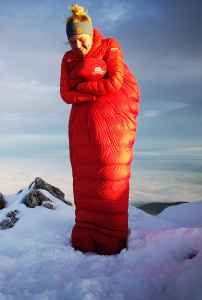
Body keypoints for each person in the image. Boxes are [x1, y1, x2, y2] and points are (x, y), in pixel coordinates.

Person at [60, 4, 140, 255]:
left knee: (110, 171)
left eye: (81, 39)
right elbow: (65, 95)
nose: (78, 46)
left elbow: (116, 82)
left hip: (112, 120)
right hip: (84, 123)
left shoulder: (110, 45)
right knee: (86, 174)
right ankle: (87, 230)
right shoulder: (68, 59)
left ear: (91, 34)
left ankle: (112, 235)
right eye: (72, 42)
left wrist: (81, 88)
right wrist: (91, 86)